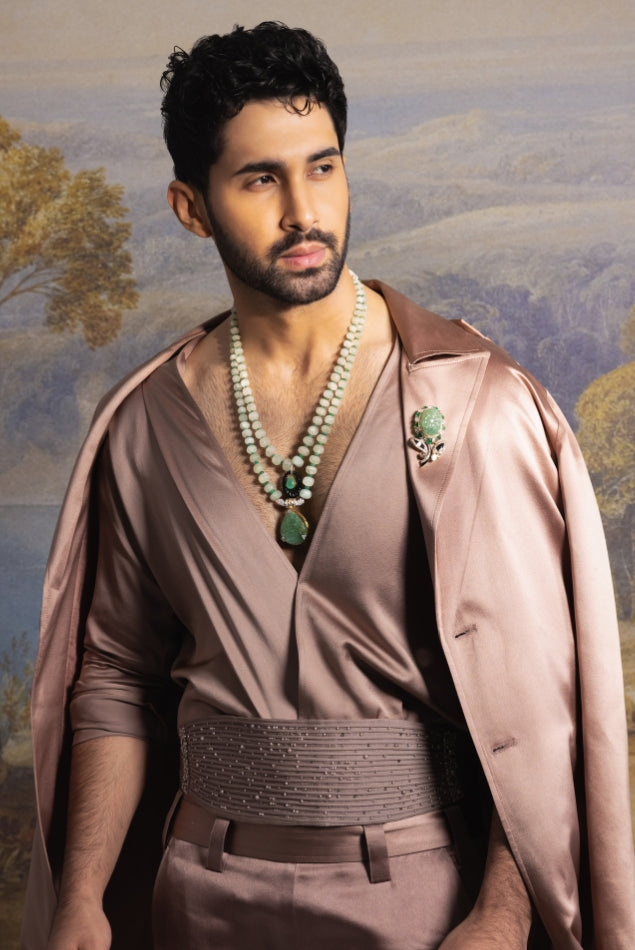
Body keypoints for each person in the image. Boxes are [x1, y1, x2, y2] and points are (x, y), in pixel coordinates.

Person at [22, 21, 635, 950]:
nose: (302, 211)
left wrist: (502, 915)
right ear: (191, 207)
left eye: (322, 167)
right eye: (259, 179)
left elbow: (538, 700)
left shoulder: (476, 403)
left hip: (420, 900)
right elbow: (113, 675)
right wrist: (81, 898)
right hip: (197, 899)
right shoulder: (145, 425)